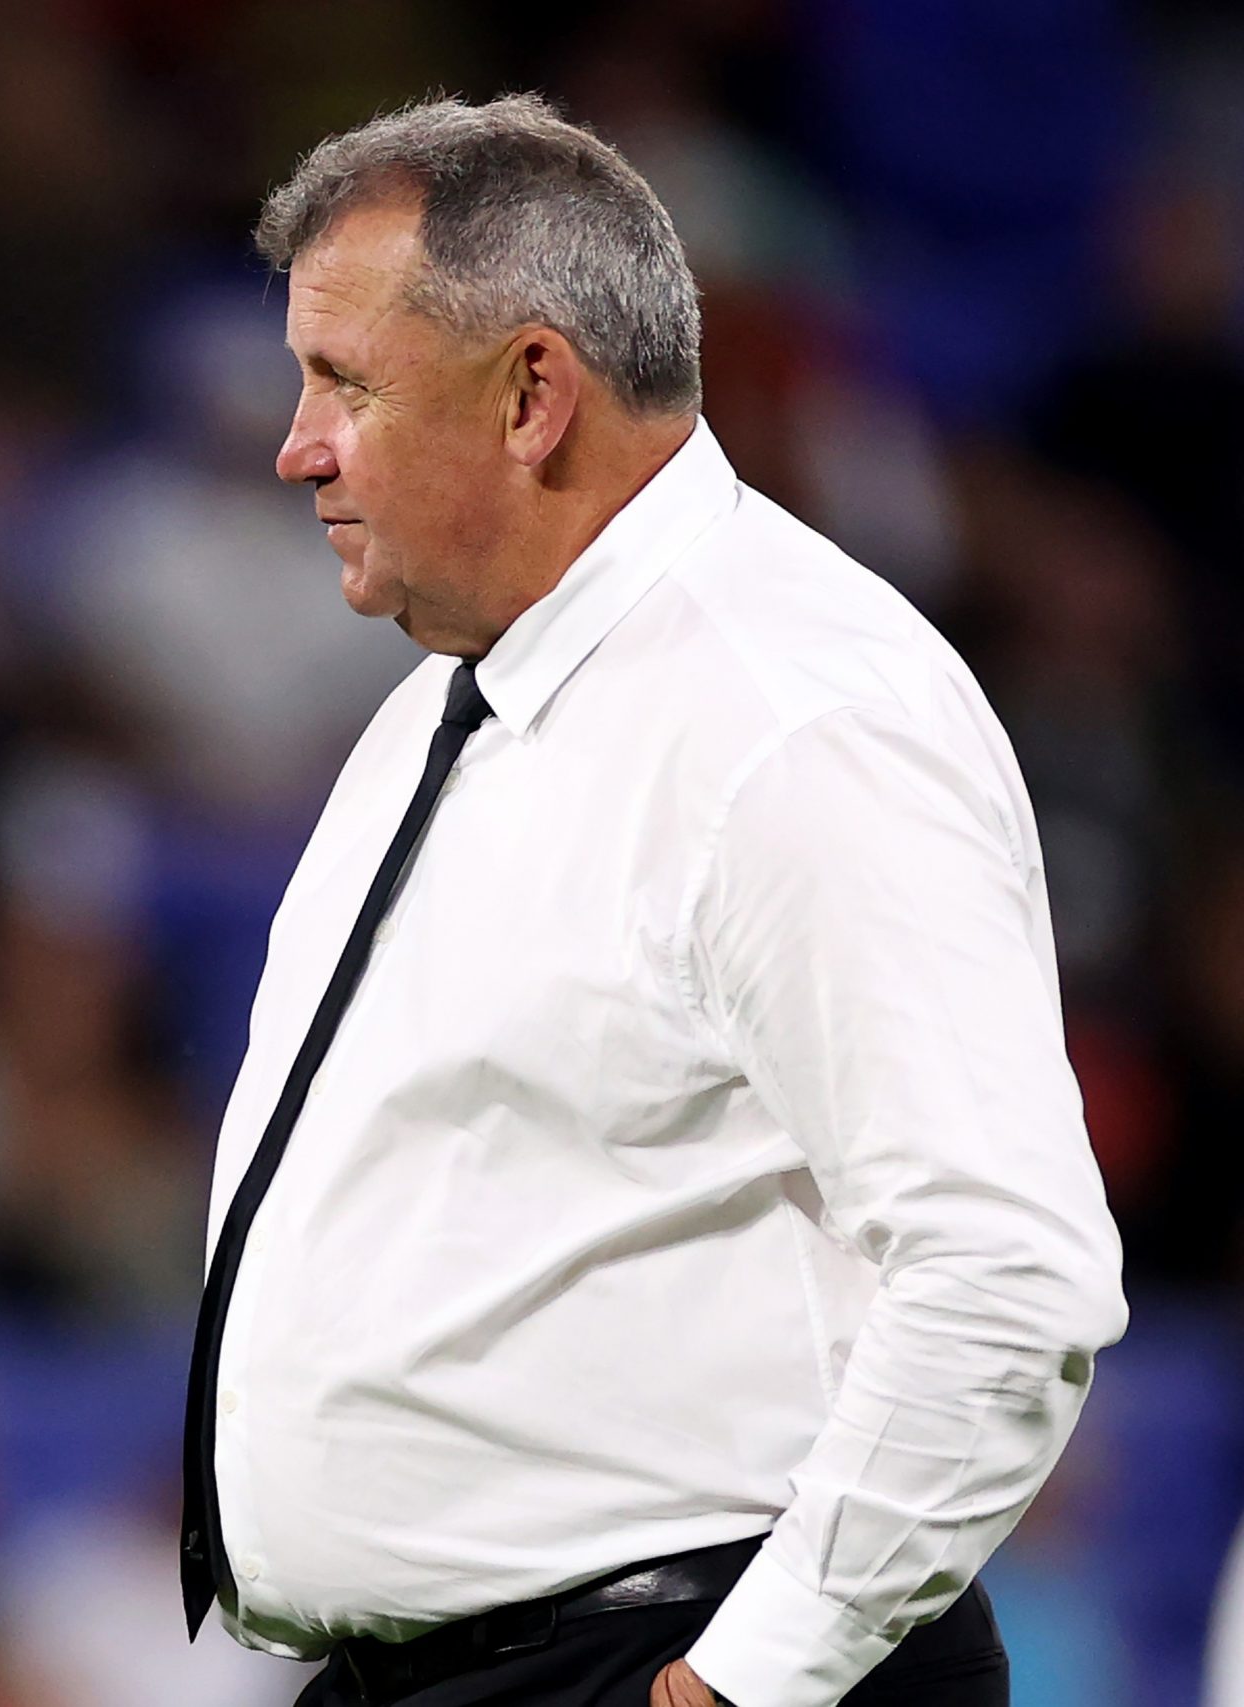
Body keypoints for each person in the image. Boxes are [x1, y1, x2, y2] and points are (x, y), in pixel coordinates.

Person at [178, 95, 1125, 1707]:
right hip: (473, 1667)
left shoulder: (793, 714)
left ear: (534, 391)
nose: (298, 445)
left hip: (678, 1660)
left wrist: (754, 1678)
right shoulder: (457, 692)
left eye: (344, 382)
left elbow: (1007, 1275)